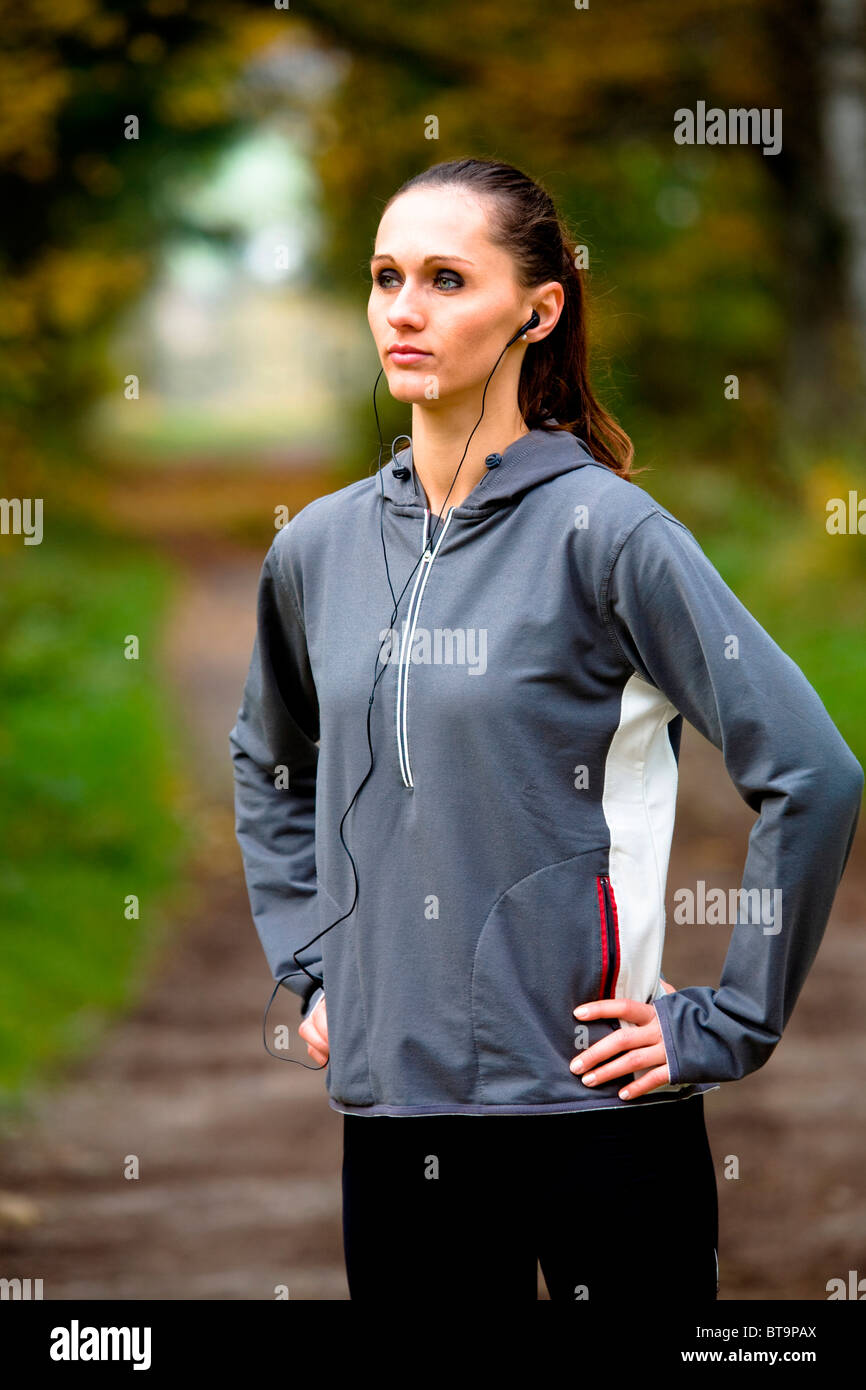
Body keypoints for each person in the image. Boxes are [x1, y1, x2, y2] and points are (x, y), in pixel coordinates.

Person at [228, 157, 863, 1302]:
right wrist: (313, 969)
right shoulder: (314, 550)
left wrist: (727, 1019)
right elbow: (269, 761)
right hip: (394, 1116)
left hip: (596, 1113)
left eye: (444, 278)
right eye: (384, 277)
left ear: (537, 307)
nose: (403, 309)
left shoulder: (609, 536)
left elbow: (809, 772)